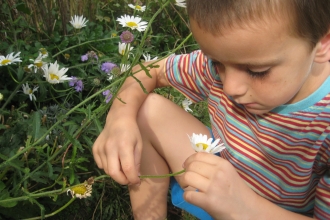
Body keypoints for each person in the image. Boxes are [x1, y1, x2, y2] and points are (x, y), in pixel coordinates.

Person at [92, 0, 330, 219]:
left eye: (258, 71)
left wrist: (244, 207)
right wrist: (119, 119)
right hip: (221, 179)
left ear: (322, 43)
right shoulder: (227, 64)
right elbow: (148, 70)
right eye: (217, 62)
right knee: (146, 110)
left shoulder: (324, 120)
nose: (230, 87)